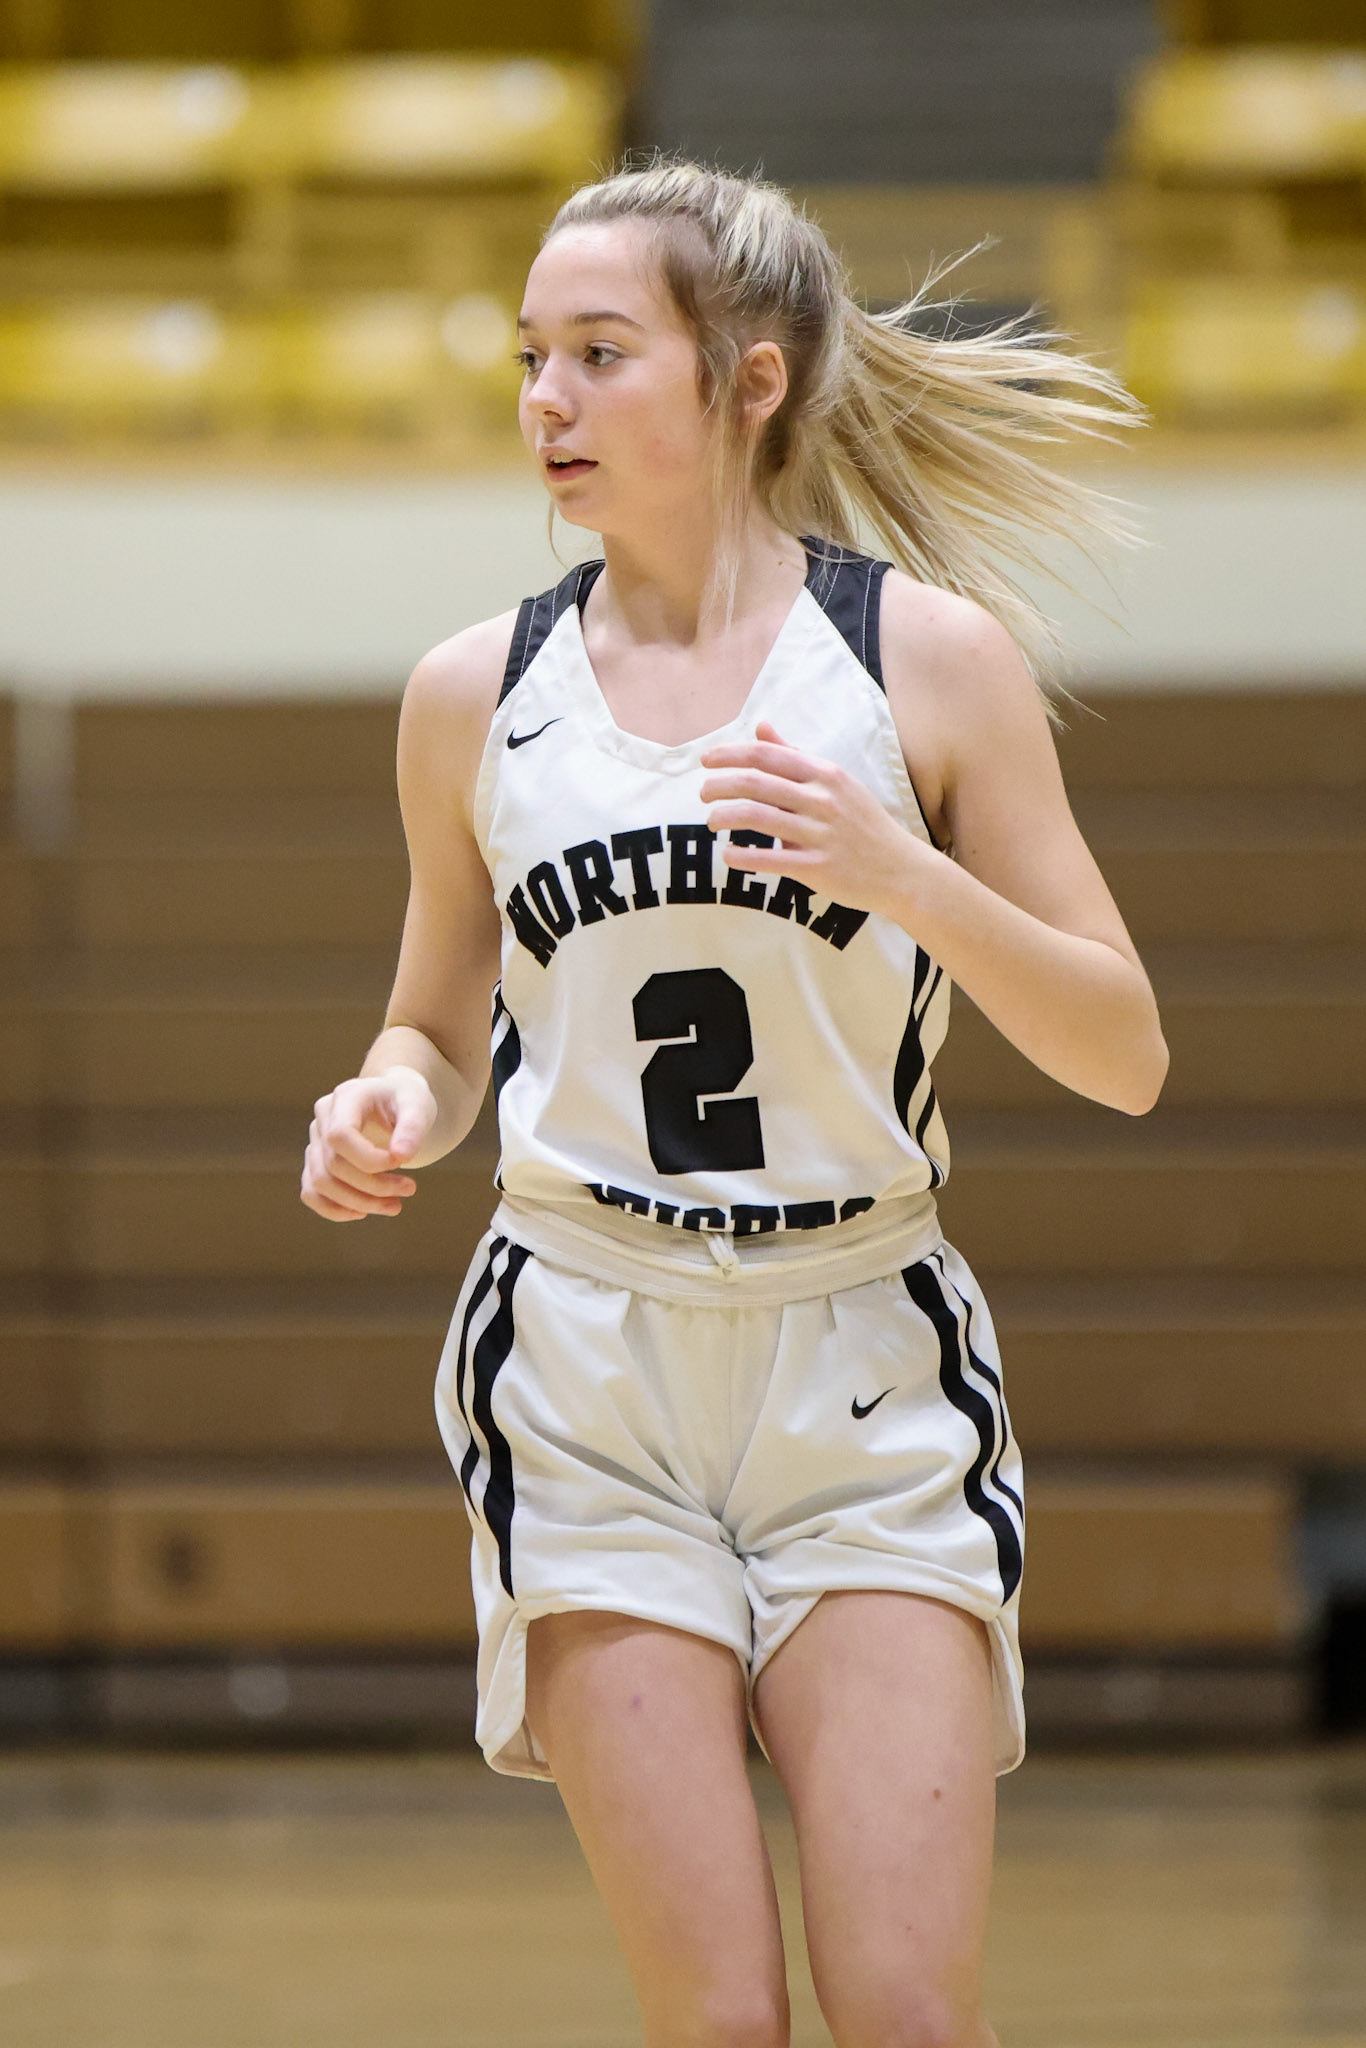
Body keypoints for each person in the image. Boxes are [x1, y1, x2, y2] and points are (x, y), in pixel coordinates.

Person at [300, 158, 1167, 2048]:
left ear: (748, 378)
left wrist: (906, 870)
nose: (546, 400)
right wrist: (379, 1103)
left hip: (858, 1351)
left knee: (905, 2012)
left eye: (600, 355)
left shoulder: (918, 659)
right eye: (530, 357)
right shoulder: (475, 695)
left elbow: (1123, 1051)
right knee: (717, 2023)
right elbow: (434, 1031)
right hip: (590, 1356)